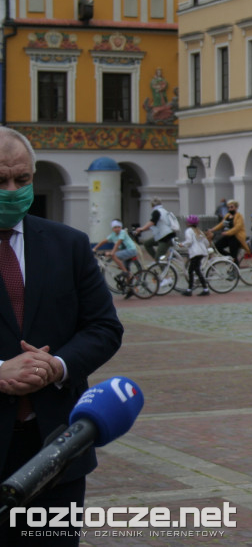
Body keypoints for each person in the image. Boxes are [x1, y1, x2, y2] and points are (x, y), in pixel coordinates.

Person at [0, 127, 123, 546]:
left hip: (55, 450)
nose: (13, 190)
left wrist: (58, 365)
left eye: (23, 179)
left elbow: (104, 327)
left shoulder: (68, 244)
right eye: (0, 181)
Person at [134, 197, 179, 262]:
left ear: (152, 205)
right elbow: (152, 225)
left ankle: (161, 265)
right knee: (147, 243)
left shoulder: (157, 212)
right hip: (163, 236)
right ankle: (157, 260)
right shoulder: (163, 211)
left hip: (165, 238)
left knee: (158, 259)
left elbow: (151, 222)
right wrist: (141, 230)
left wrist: (141, 229)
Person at [180, 215, 210, 297]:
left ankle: (190, 290)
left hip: (195, 253)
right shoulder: (199, 231)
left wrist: (182, 244)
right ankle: (204, 288)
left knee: (191, 271)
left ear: (189, 223)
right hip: (202, 252)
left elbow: (189, 241)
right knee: (196, 270)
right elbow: (207, 243)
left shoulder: (188, 231)